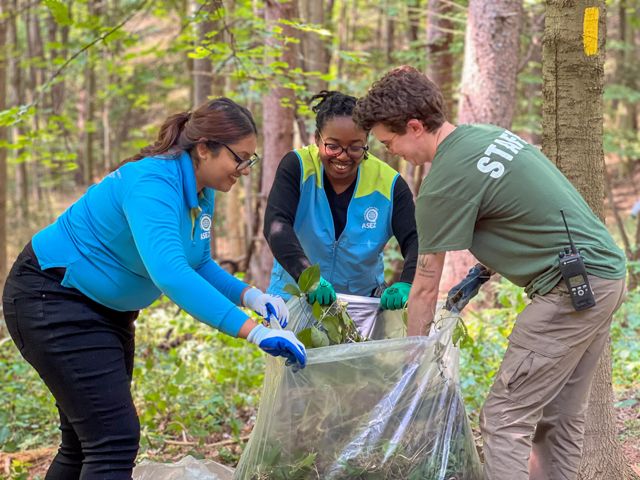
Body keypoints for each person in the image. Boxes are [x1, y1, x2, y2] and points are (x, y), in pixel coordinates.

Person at [1, 98, 306, 480]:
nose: (245, 170)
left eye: (251, 159)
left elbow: (198, 263)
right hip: (53, 298)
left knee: (86, 442)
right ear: (204, 148)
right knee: (113, 440)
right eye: (240, 158)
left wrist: (252, 297)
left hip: (103, 311)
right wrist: (253, 332)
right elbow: (172, 274)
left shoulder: (200, 188)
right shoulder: (152, 184)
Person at [353, 66, 627, 480]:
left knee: (504, 417)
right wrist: (480, 274)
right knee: (560, 416)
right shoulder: (487, 137)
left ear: (414, 126)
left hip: (568, 291)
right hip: (605, 276)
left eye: (390, 142)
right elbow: (525, 215)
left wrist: (412, 365)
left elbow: (424, 292)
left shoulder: (441, 184)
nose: (392, 153)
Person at [264, 90, 418, 310]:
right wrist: (309, 277)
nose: (343, 156)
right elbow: (276, 224)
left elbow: (414, 238)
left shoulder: (390, 184)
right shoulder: (297, 167)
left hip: (358, 307)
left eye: (356, 147)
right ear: (317, 138)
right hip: (293, 300)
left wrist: (408, 281)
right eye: (333, 146)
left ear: (367, 142)